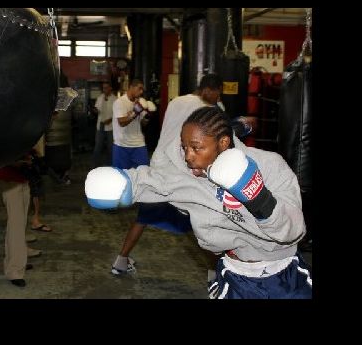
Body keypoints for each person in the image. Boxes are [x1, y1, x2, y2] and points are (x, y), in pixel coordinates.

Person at [85, 106, 311, 299]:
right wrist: (125, 184)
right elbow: (156, 181)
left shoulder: (270, 166)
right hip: (235, 275)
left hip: (285, 274)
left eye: (196, 148)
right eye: (185, 147)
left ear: (223, 143)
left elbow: (293, 231)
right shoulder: (187, 175)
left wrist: (257, 197)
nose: (188, 156)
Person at [109, 74, 222, 278]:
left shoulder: (177, 101)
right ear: (209, 90)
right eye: (217, 94)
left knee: (143, 217)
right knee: (200, 223)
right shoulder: (209, 110)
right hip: (183, 173)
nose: (218, 98)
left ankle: (121, 261)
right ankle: (214, 275)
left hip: (159, 168)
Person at [109, 78, 156, 274]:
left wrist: (146, 115)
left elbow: (140, 123)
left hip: (138, 144)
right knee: (119, 177)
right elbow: (122, 121)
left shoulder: (140, 102)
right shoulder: (120, 102)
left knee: (145, 174)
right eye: (138, 87)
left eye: (142, 89)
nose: (140, 91)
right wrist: (135, 111)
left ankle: (144, 201)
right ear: (131, 88)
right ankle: (113, 202)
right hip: (122, 145)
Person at [0, 154, 42, 288]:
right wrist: (21, 160)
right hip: (9, 179)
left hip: (23, 177)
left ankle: (19, 259)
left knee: (20, 224)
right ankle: (14, 270)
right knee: (15, 226)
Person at [91, 82, 115, 168]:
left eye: (107, 88)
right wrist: (95, 111)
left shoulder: (115, 99)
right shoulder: (100, 98)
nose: (105, 90)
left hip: (111, 126)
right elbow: (97, 110)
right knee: (98, 146)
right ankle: (95, 165)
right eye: (104, 88)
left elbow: (117, 113)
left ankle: (110, 165)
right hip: (100, 125)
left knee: (110, 148)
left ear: (110, 88)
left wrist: (110, 119)